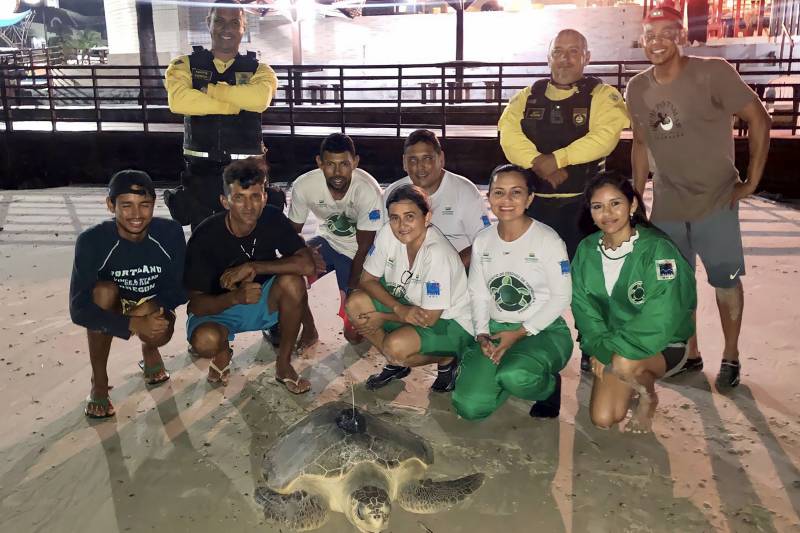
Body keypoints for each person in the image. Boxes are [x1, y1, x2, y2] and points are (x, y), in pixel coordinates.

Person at [626, 5, 770, 390]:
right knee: (674, 282)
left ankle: (731, 355)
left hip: (716, 199)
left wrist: (752, 181)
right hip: (669, 203)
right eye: (650, 34)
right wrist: (637, 196)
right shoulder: (637, 86)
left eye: (667, 32)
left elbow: (759, 117)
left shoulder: (713, 72)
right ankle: (691, 354)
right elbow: (640, 144)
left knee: (725, 281)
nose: (657, 41)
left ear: (683, 36)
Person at [498, 29, 629, 373]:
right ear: (549, 57)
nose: (566, 58)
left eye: (574, 52)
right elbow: (508, 134)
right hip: (537, 207)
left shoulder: (603, 95)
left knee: (590, 282)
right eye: (559, 52)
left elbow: (605, 136)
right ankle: (531, 340)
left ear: (587, 57)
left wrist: (559, 159)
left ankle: (592, 342)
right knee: (531, 277)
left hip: (584, 209)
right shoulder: (528, 96)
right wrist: (538, 162)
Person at [571, 171, 697, 433]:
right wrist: (600, 346)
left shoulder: (658, 250)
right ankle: (625, 376)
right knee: (604, 418)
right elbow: (582, 306)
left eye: (615, 203)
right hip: (611, 343)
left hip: (662, 344)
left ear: (633, 205)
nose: (607, 213)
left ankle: (647, 394)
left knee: (623, 363)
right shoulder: (586, 249)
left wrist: (612, 349)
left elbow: (662, 315)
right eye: (598, 206)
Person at [370, 129, 490, 389]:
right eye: (412, 159)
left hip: (454, 270)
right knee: (360, 307)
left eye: (427, 158)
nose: (420, 167)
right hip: (408, 270)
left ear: (441, 158)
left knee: (425, 319)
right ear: (403, 162)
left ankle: (446, 354)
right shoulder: (394, 192)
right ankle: (397, 358)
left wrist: (450, 266)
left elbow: (484, 241)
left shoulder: (464, 191)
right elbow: (384, 239)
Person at [452, 165, 573, 421]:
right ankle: (502, 373)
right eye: (498, 192)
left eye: (515, 193)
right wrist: (482, 332)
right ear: (489, 197)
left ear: (529, 198)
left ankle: (548, 387)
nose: (506, 200)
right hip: (497, 328)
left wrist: (519, 333)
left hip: (543, 329)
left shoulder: (547, 240)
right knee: (469, 407)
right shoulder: (483, 240)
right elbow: (479, 292)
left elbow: (562, 297)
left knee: (515, 376)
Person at [183, 157, 315, 393]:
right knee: (205, 341)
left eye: (255, 196)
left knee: (294, 282)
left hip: (262, 299)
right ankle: (223, 352)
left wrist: (255, 267)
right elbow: (196, 306)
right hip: (218, 309)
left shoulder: (272, 218)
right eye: (239, 198)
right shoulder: (205, 236)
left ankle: (283, 365)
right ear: (225, 201)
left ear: (264, 196)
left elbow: (307, 265)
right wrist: (235, 298)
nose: (249, 206)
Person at [69, 170, 187, 418]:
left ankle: (150, 349)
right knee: (101, 293)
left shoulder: (171, 233)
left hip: (150, 302)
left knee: (159, 331)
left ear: (154, 204)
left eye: (144, 205)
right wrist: (132, 322)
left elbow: (182, 286)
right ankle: (99, 382)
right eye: (126, 205)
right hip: (112, 304)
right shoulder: (92, 241)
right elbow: (79, 307)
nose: (136, 215)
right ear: (111, 205)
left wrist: (148, 310)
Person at [163, 0, 280, 230]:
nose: (227, 29)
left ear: (243, 27)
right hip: (201, 177)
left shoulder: (260, 69)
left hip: (247, 175)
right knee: (205, 248)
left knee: (250, 247)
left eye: (234, 22)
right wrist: (235, 104)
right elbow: (179, 101)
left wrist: (213, 91)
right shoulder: (184, 64)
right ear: (209, 23)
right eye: (219, 21)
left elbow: (258, 100)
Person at [345, 185, 473, 393]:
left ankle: (446, 358)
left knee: (396, 347)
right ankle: (396, 364)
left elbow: (429, 318)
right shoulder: (389, 232)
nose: (401, 225)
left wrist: (383, 317)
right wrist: (397, 308)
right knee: (355, 304)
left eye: (410, 216)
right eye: (394, 217)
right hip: (409, 302)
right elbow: (367, 279)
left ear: (427, 217)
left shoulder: (437, 253)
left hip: (450, 320)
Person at [287, 133, 383, 345]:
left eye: (345, 164)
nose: (338, 172)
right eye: (330, 164)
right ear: (319, 163)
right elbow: (292, 233)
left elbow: (365, 248)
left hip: (360, 255)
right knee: (289, 275)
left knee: (355, 336)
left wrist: (351, 291)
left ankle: (371, 308)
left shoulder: (367, 190)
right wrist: (306, 252)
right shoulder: (304, 186)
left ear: (355, 162)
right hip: (328, 243)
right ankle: (309, 328)